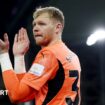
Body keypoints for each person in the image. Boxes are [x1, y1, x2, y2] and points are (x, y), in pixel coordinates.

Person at [0, 6, 81, 105]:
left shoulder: (48, 55)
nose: (35, 28)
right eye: (34, 24)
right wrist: (19, 57)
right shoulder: (72, 56)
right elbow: (24, 94)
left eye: (42, 24)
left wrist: (3, 54)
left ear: (58, 27)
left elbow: (15, 96)